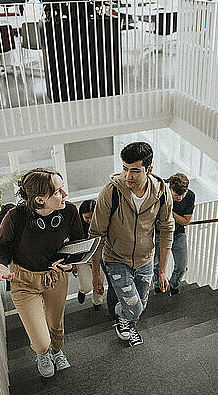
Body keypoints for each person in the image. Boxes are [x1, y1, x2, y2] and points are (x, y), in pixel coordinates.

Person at [0, 168, 83, 378]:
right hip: (24, 280)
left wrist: (69, 262)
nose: (65, 195)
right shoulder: (16, 217)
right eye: (58, 191)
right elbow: (0, 245)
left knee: (55, 326)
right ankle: (43, 353)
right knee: (41, 341)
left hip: (55, 277)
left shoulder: (69, 211)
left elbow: (78, 243)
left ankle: (57, 351)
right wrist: (2, 265)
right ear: (40, 200)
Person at [89, 142, 174, 347]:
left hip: (145, 260)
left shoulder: (162, 193)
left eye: (135, 171)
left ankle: (123, 315)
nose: (128, 176)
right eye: (125, 169)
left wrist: (162, 270)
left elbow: (166, 230)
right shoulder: (110, 193)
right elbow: (96, 234)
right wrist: (95, 274)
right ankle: (121, 320)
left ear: (149, 169)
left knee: (140, 305)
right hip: (116, 258)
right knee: (134, 308)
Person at [153, 173, 195, 295]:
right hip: (159, 234)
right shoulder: (161, 194)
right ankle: (158, 287)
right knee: (157, 265)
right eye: (177, 195)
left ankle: (174, 286)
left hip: (178, 234)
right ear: (170, 187)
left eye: (183, 194)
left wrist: (170, 211)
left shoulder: (190, 196)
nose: (180, 198)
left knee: (182, 266)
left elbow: (185, 221)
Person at [76, 199, 106, 310]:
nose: (90, 220)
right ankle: (83, 291)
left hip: (99, 258)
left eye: (92, 217)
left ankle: (97, 303)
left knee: (99, 283)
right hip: (83, 259)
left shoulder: (103, 224)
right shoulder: (78, 227)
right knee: (86, 286)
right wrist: (74, 264)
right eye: (87, 217)